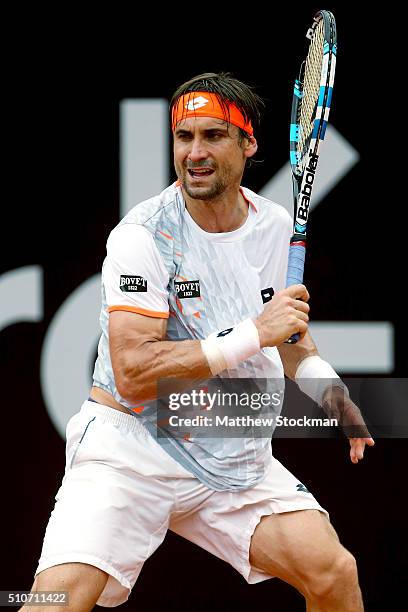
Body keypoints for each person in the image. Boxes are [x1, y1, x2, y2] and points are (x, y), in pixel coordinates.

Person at [26, 72, 374, 611]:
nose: (195, 152)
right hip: (132, 446)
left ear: (248, 143)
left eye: (212, 136)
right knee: (54, 601)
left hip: (234, 456)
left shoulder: (274, 225)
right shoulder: (142, 236)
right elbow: (134, 372)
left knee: (334, 573)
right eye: (183, 137)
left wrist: (331, 393)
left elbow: (289, 337)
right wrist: (254, 332)